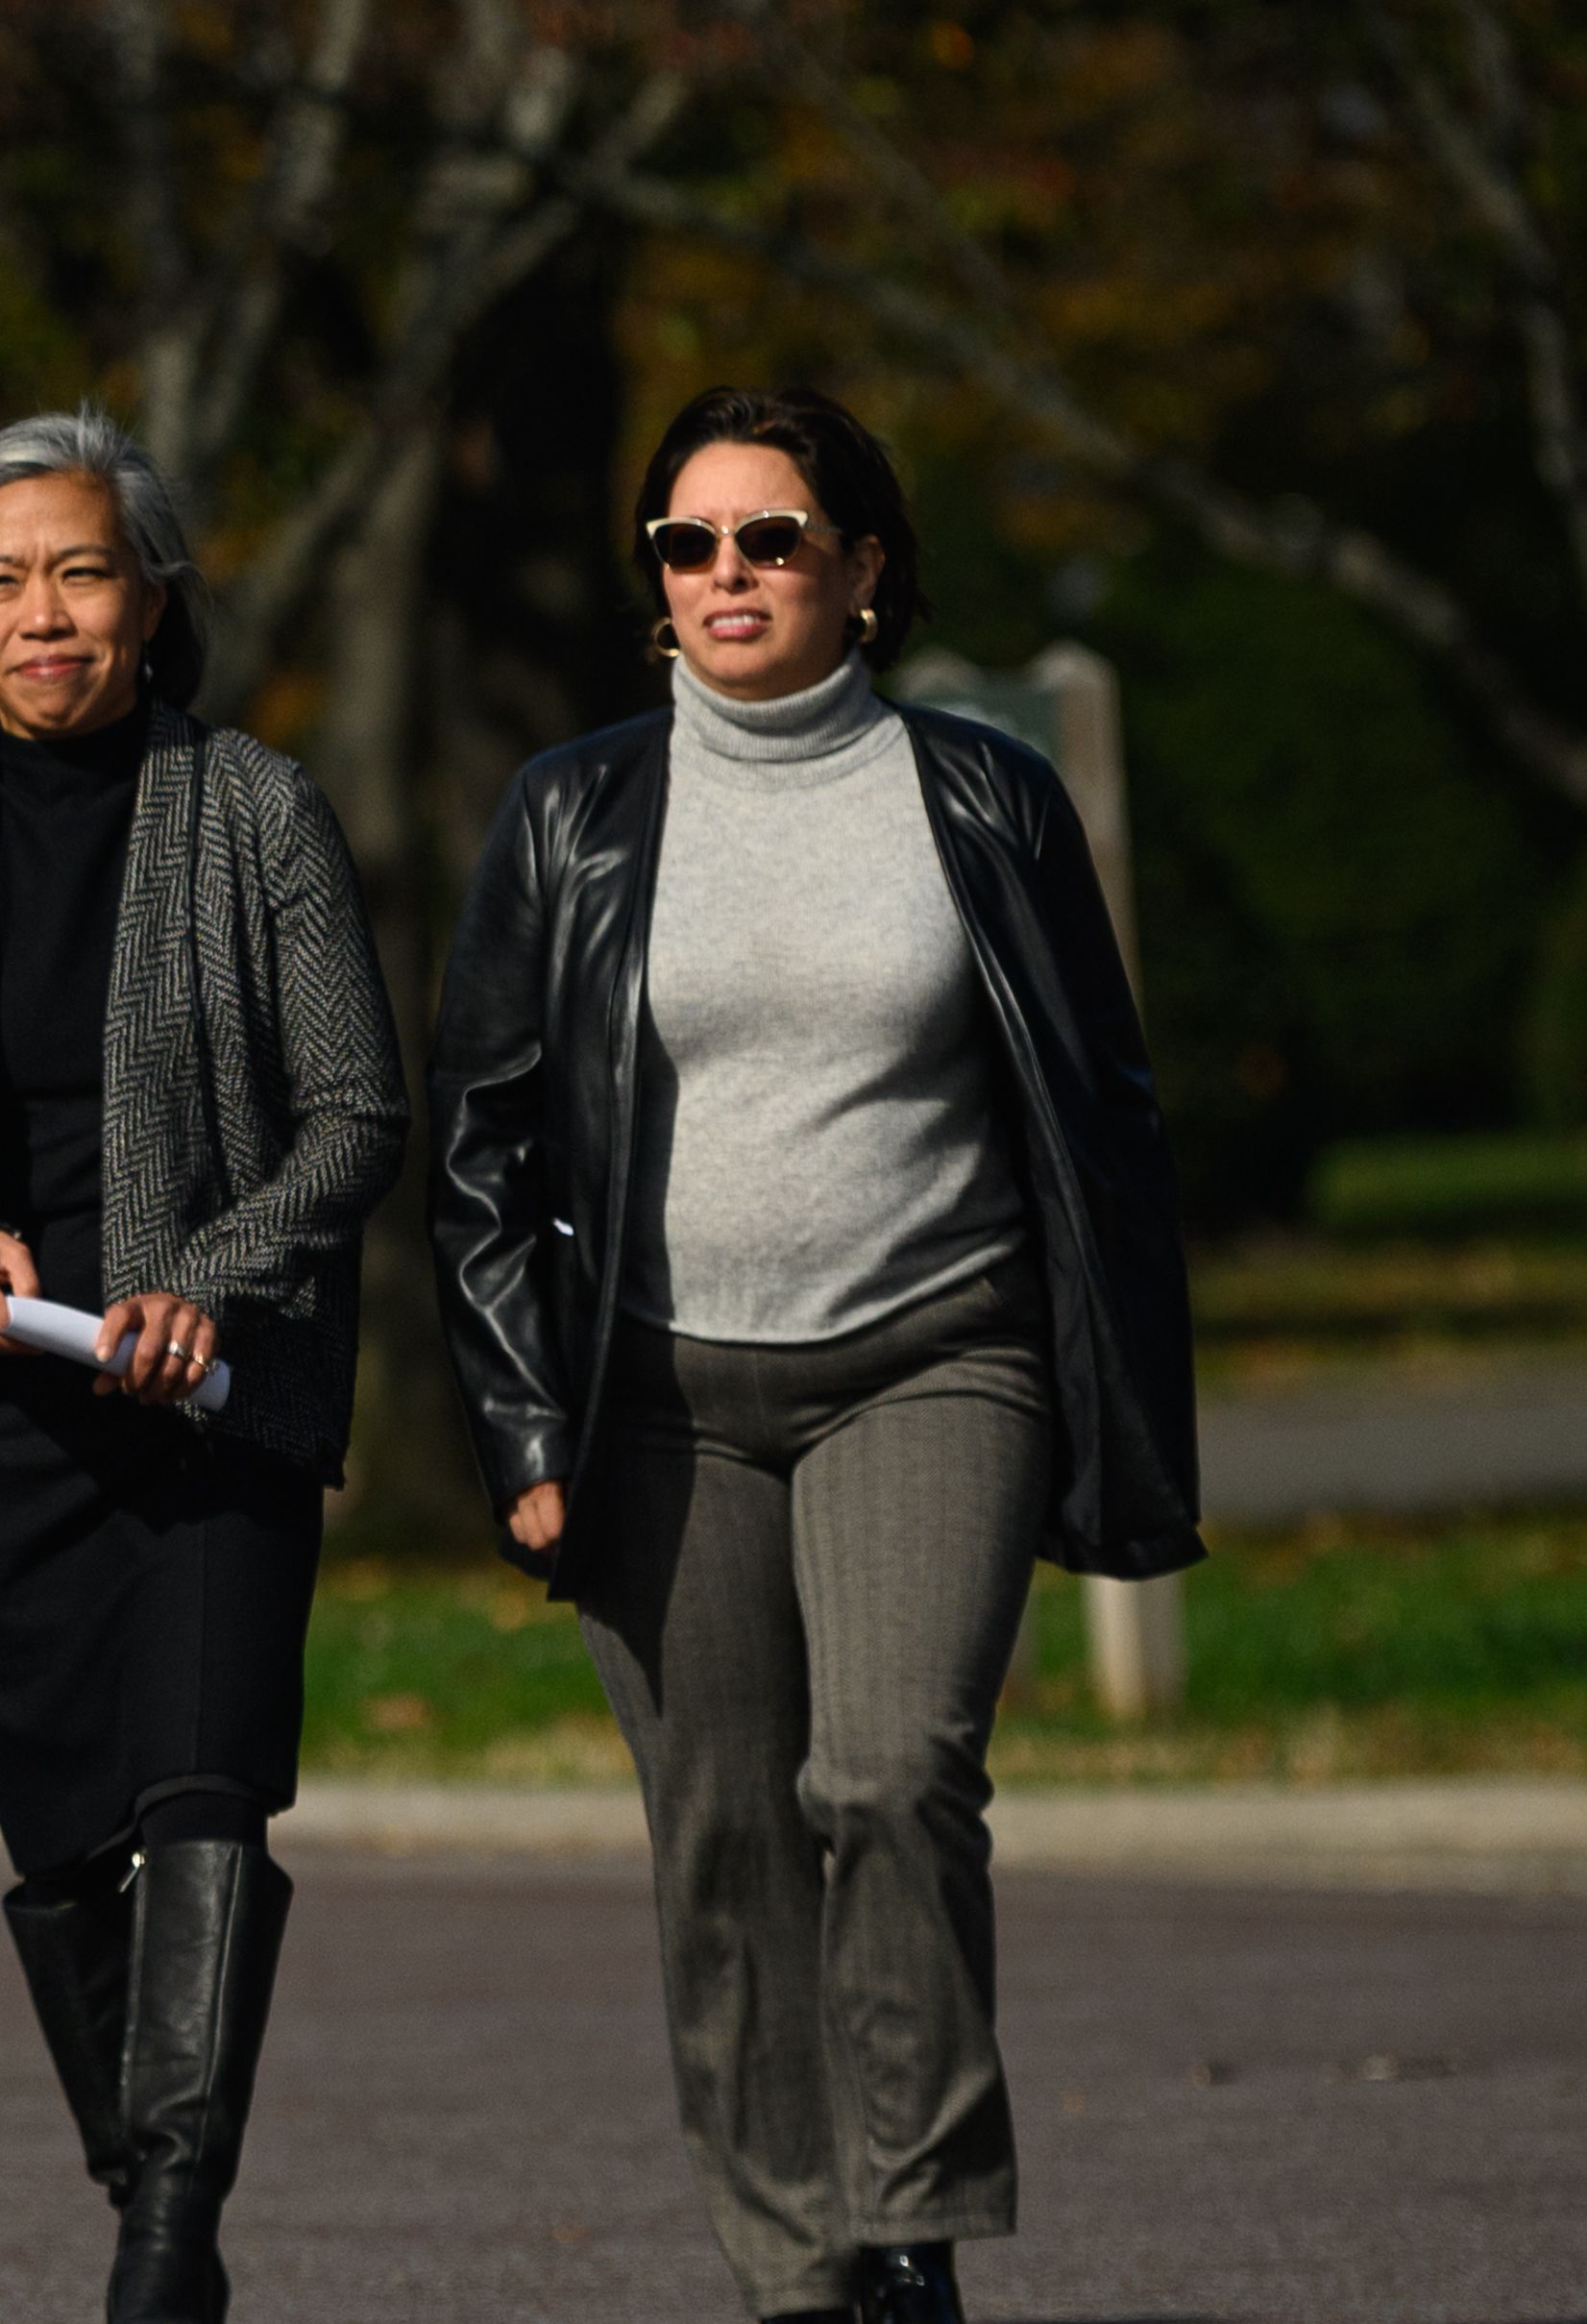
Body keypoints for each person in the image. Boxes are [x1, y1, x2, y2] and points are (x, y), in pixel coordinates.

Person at [424, 386, 1200, 2324]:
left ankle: (911, 2218)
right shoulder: (571, 810)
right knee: (718, 1842)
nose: (722, 575)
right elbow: (479, 1145)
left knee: (883, 1774)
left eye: (766, 538)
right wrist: (523, 1422)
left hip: (930, 1354)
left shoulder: (979, 797)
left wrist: (1119, 1409)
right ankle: (797, 2274)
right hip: (657, 1394)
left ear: (859, 569)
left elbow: (1100, 1115)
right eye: (684, 546)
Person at [0, 409, 405, 2323]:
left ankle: (160, 2249)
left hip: (211, 1408)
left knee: (203, 1790)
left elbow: (349, 1117)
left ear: (149, 601)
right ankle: (151, 2189)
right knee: (66, 1854)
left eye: (77, 571)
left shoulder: (253, 808)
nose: (40, 612)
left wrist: (204, 1285)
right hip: (1, 1410)